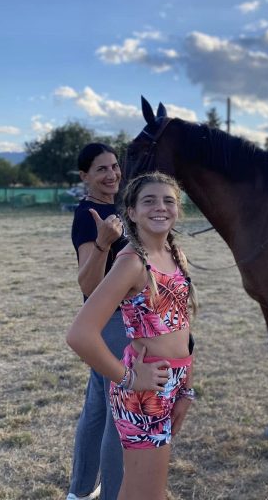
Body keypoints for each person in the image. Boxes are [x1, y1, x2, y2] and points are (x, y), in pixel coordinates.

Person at [67, 171, 198, 500]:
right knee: (147, 492)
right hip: (144, 391)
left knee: (142, 487)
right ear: (132, 212)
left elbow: (182, 324)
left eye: (169, 200)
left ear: (178, 209)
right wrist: (127, 377)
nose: (160, 207)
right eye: (149, 200)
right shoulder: (131, 263)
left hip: (171, 383)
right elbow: (80, 335)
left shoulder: (174, 254)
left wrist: (186, 388)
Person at [67, 143, 129, 500]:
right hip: (112, 323)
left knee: (98, 408)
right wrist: (104, 242)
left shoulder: (117, 207)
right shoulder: (88, 214)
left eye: (115, 166)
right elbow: (88, 285)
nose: (111, 175)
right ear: (85, 176)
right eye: (102, 169)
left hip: (117, 321)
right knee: (119, 414)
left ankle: (80, 491)